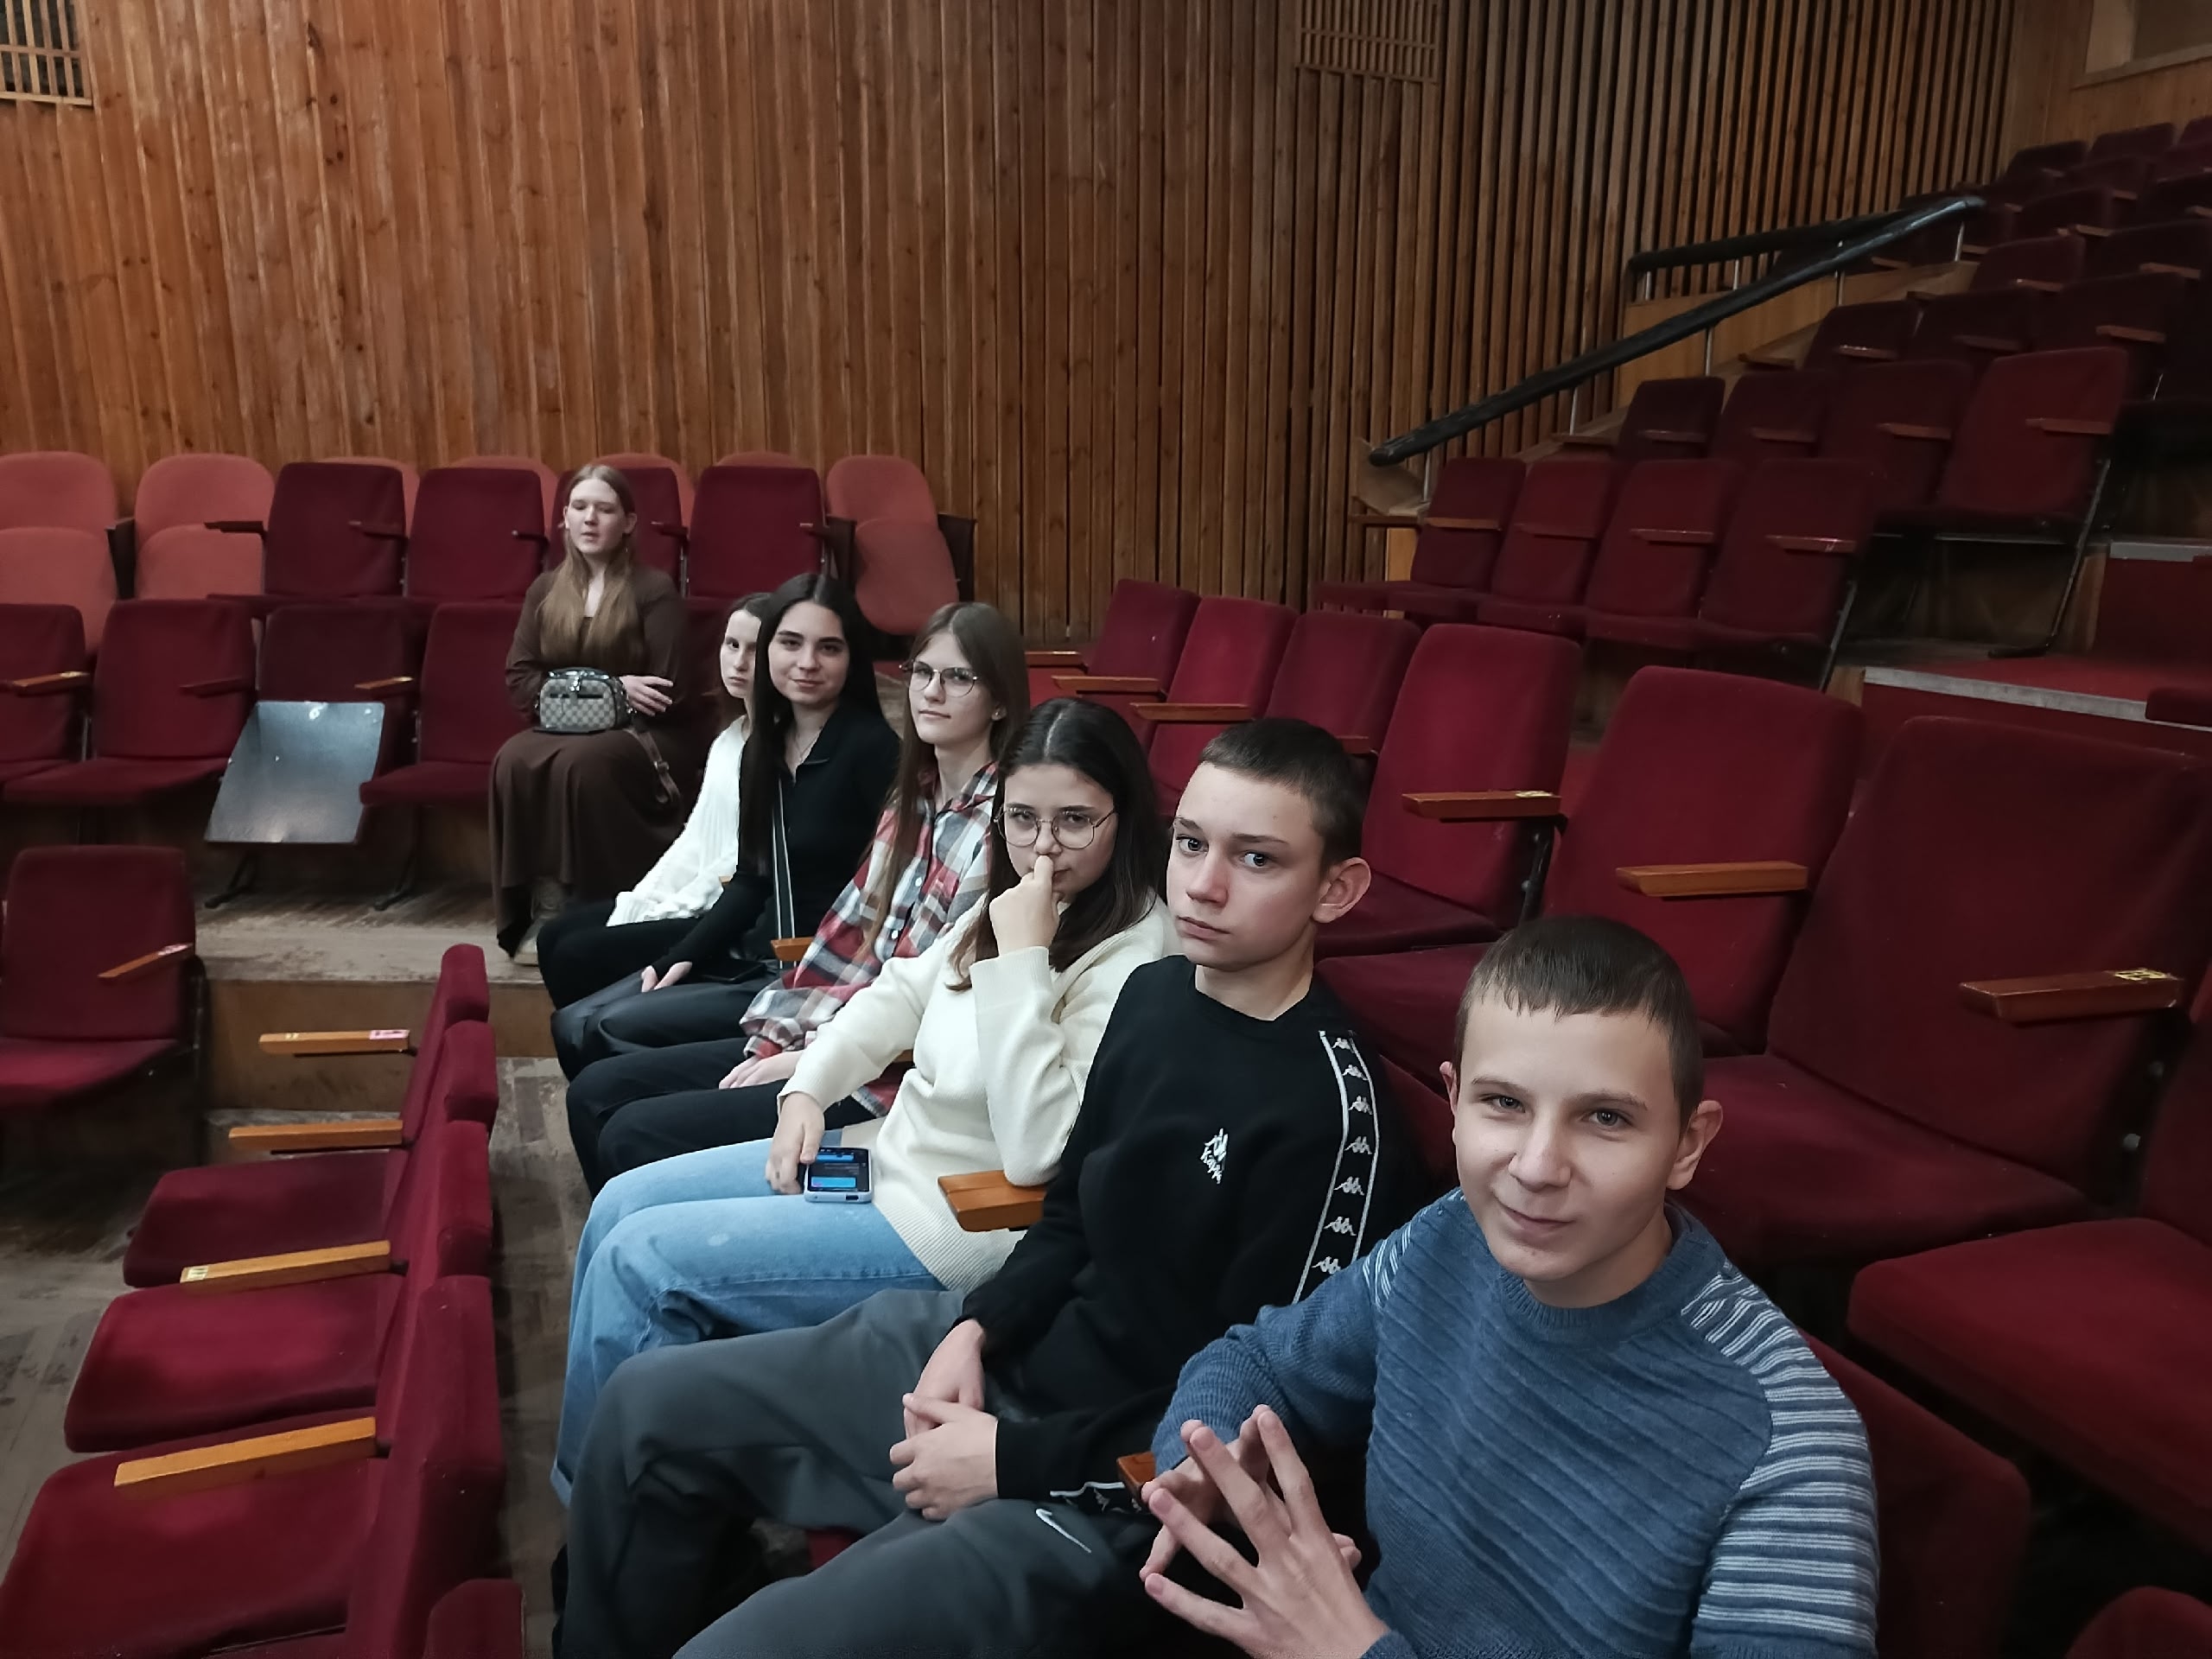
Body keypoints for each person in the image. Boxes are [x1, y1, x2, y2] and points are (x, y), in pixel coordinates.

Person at [553, 719, 1427, 1659]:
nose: (1204, 884)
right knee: (643, 1410)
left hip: (1111, 1493)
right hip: (1009, 1362)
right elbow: (1069, 1216)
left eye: (1256, 858)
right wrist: (978, 1327)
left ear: (1336, 889)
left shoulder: (1333, 1118)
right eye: (1190, 843)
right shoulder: (1159, 996)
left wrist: (1012, 1462)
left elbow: (1251, 1432)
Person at [1138, 913, 1879, 1659]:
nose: (1537, 1168)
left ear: (1687, 1145)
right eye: (1505, 1103)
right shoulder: (1448, 1236)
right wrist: (1208, 1464)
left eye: (1605, 1117)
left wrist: (1353, 1652)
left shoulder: (1790, 1448)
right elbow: (1257, 1362)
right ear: (1454, 1103)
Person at [550, 696, 1175, 1503]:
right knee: (621, 1205)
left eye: (1076, 821)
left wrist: (1022, 962)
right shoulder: (1015, 902)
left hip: (953, 1219)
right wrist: (808, 1088)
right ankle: (627, 1486)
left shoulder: (1134, 955)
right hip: (883, 1161)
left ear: (1125, 817)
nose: (1043, 847)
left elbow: (1039, 1152)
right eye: (1022, 819)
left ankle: (594, 1501)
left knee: (644, 1264)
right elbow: (899, 994)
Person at [563, 600, 1029, 1189]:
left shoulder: (1004, 824)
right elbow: (851, 935)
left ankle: (668, 1231)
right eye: (923, 672)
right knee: (596, 1091)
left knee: (631, 1130)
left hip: (888, 1076)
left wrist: (810, 1064)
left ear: (1000, 700)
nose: (932, 692)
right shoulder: (914, 793)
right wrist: (783, 1040)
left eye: (959, 677)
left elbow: (944, 1005)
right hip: (829, 1030)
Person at [549, 572, 898, 1075]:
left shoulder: (873, 751)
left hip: (809, 970)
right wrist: (681, 956)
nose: (807, 663)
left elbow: (890, 891)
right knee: (571, 1023)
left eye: (829, 648)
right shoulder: (763, 746)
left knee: (605, 1027)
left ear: (852, 658)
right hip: (753, 951)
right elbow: (752, 878)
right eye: (790, 643)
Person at [493, 464, 702, 957]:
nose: (590, 519)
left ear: (627, 523)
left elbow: (667, 691)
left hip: (649, 732)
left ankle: (587, 906)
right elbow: (520, 679)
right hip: (564, 727)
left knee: (583, 764)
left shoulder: (653, 590)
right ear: (564, 518)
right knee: (511, 759)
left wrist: (578, 692)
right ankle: (542, 900)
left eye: (605, 509)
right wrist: (613, 687)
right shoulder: (545, 589)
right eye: (580, 507)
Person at [535, 592, 772, 1009]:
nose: (739, 662)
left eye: (755, 650)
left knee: (577, 954)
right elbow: (694, 840)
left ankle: (598, 1037)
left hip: (728, 915)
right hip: (694, 899)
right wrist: (645, 899)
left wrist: (669, 910)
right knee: (554, 936)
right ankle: (585, 1035)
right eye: (732, 645)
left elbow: (740, 861)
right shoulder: (730, 737)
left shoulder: (776, 749)